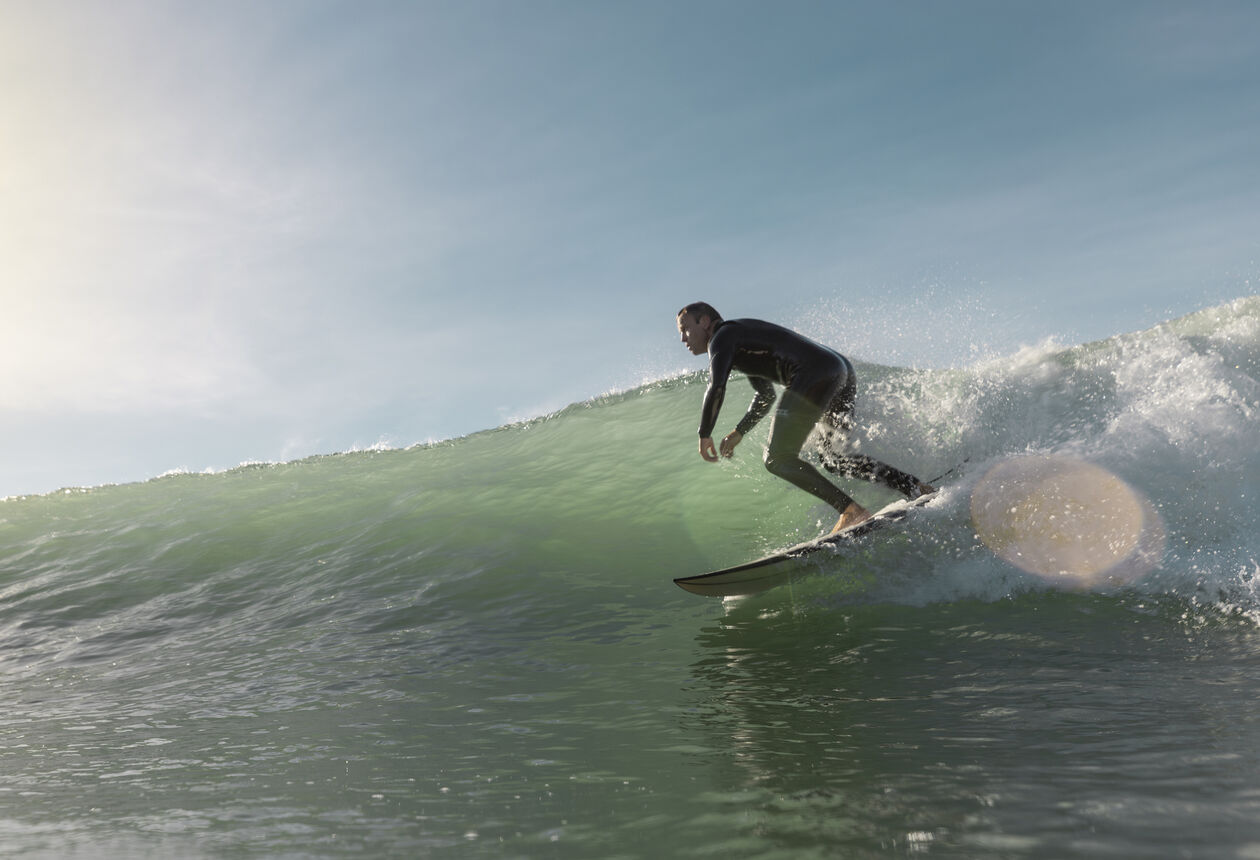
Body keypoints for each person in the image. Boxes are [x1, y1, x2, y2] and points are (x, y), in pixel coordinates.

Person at [676, 301, 934, 531]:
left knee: (776, 458)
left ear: (706, 322)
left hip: (814, 372)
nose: (683, 338)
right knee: (834, 459)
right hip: (839, 370)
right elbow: (765, 396)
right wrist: (739, 431)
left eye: (685, 328)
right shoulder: (739, 340)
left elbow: (716, 386)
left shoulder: (722, 337)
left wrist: (704, 434)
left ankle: (851, 511)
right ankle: (915, 487)